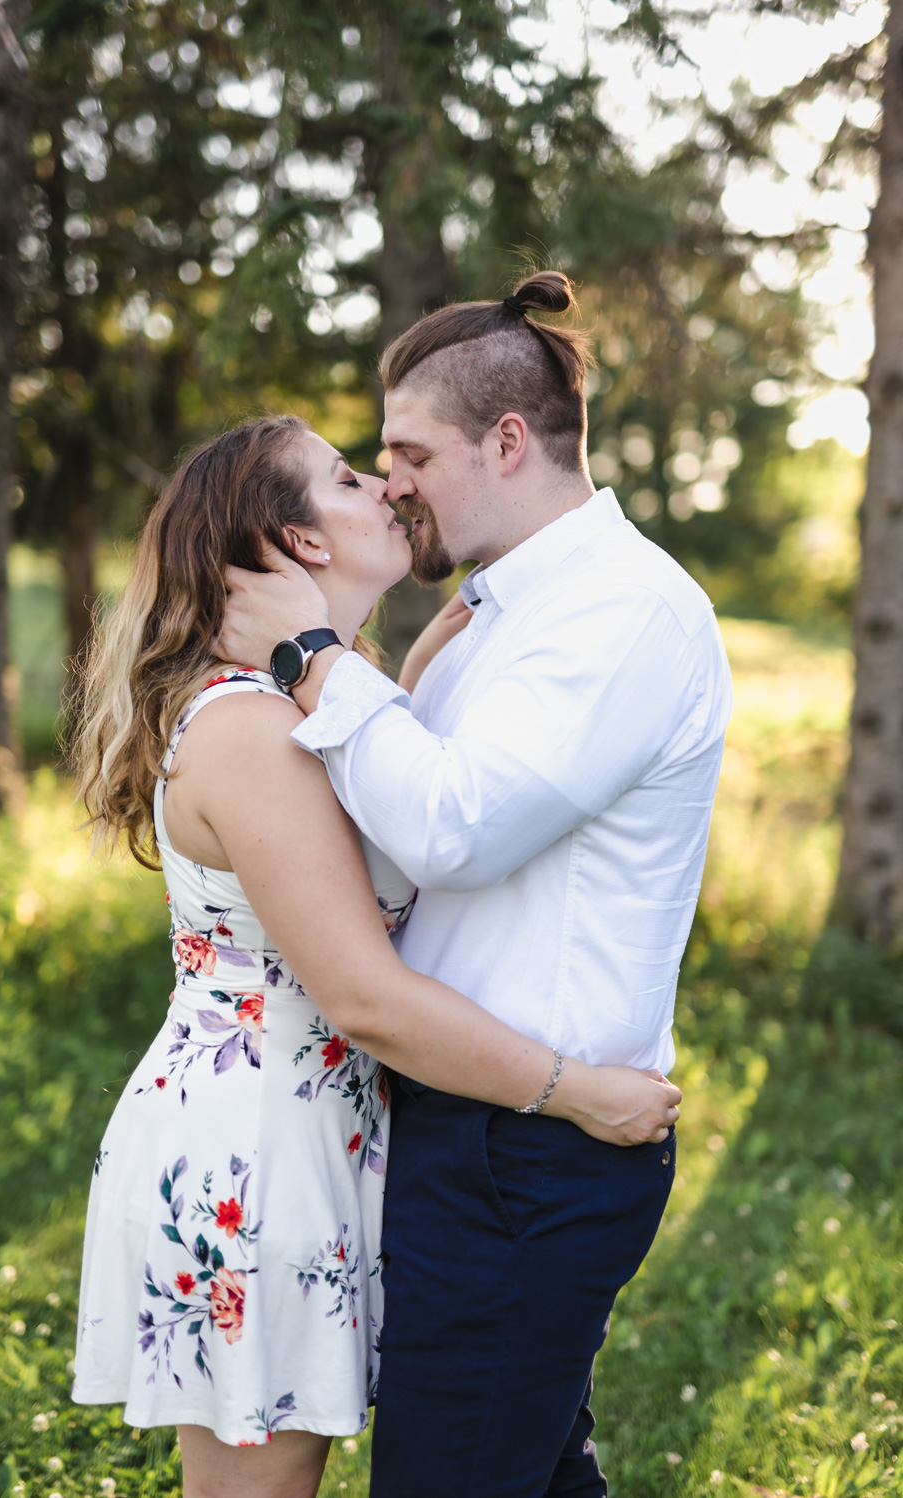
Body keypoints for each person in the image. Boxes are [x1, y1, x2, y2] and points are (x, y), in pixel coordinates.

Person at [68, 412, 681, 1498]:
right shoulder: (251, 730)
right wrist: (577, 1092)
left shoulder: (310, 699)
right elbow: (362, 994)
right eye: (349, 479)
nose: (386, 489)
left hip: (316, 1137)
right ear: (302, 542)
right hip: (252, 1156)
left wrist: (402, 666)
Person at [214, 270, 733, 1498]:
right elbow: (396, 847)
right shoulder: (494, 617)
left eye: (407, 452)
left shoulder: (625, 614)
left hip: (533, 1158)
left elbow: (450, 827)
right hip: (471, 1131)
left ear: (507, 441)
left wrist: (308, 656)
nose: (388, 480)